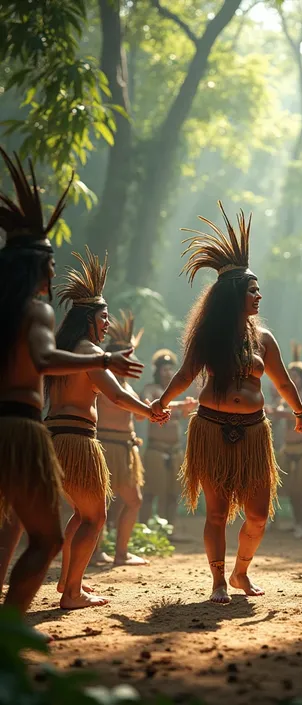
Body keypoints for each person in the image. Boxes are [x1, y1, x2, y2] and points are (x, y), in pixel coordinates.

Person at [0, 149, 141, 614]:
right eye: (50, 263)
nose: (54, 271)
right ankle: (38, 610)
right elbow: (58, 365)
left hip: (32, 431)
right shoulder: (51, 324)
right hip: (34, 433)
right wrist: (108, 362)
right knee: (64, 528)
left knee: (12, 526)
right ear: (35, 267)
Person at [152, 202, 302, 604]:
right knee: (218, 513)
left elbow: (284, 381)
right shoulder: (209, 336)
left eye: (259, 289)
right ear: (234, 294)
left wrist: (299, 411)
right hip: (211, 428)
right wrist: (161, 401)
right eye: (252, 290)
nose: (259, 295)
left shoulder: (265, 339)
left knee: (257, 514)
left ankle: (241, 572)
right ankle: (218, 581)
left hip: (255, 432)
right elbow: (186, 375)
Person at [46, 247, 167, 609]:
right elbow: (115, 396)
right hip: (77, 441)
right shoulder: (87, 351)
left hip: (55, 437)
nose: (107, 324)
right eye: (104, 316)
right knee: (95, 518)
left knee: (82, 516)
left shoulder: (65, 351)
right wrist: (149, 411)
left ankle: (69, 583)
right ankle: (71, 592)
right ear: (89, 320)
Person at [95, 310, 150, 566]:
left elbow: (140, 415)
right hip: (106, 447)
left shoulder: (126, 385)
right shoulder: (102, 380)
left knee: (132, 500)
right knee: (99, 503)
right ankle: (96, 554)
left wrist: (173, 406)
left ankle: (120, 553)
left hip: (126, 447)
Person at [140, 349, 196, 526]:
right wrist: (181, 405)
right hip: (156, 450)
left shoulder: (173, 393)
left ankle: (168, 530)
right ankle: (144, 528)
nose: (169, 373)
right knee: (150, 492)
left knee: (173, 494)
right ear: (157, 371)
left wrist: (187, 408)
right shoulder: (150, 389)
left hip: (175, 450)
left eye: (171, 369)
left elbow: (185, 415)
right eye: (165, 369)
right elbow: (147, 405)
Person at [275, 343, 302, 539]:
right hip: (288, 450)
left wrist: (282, 413)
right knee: (290, 490)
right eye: (290, 376)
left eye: (295, 375)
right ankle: (296, 523)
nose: (293, 379)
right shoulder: (285, 397)